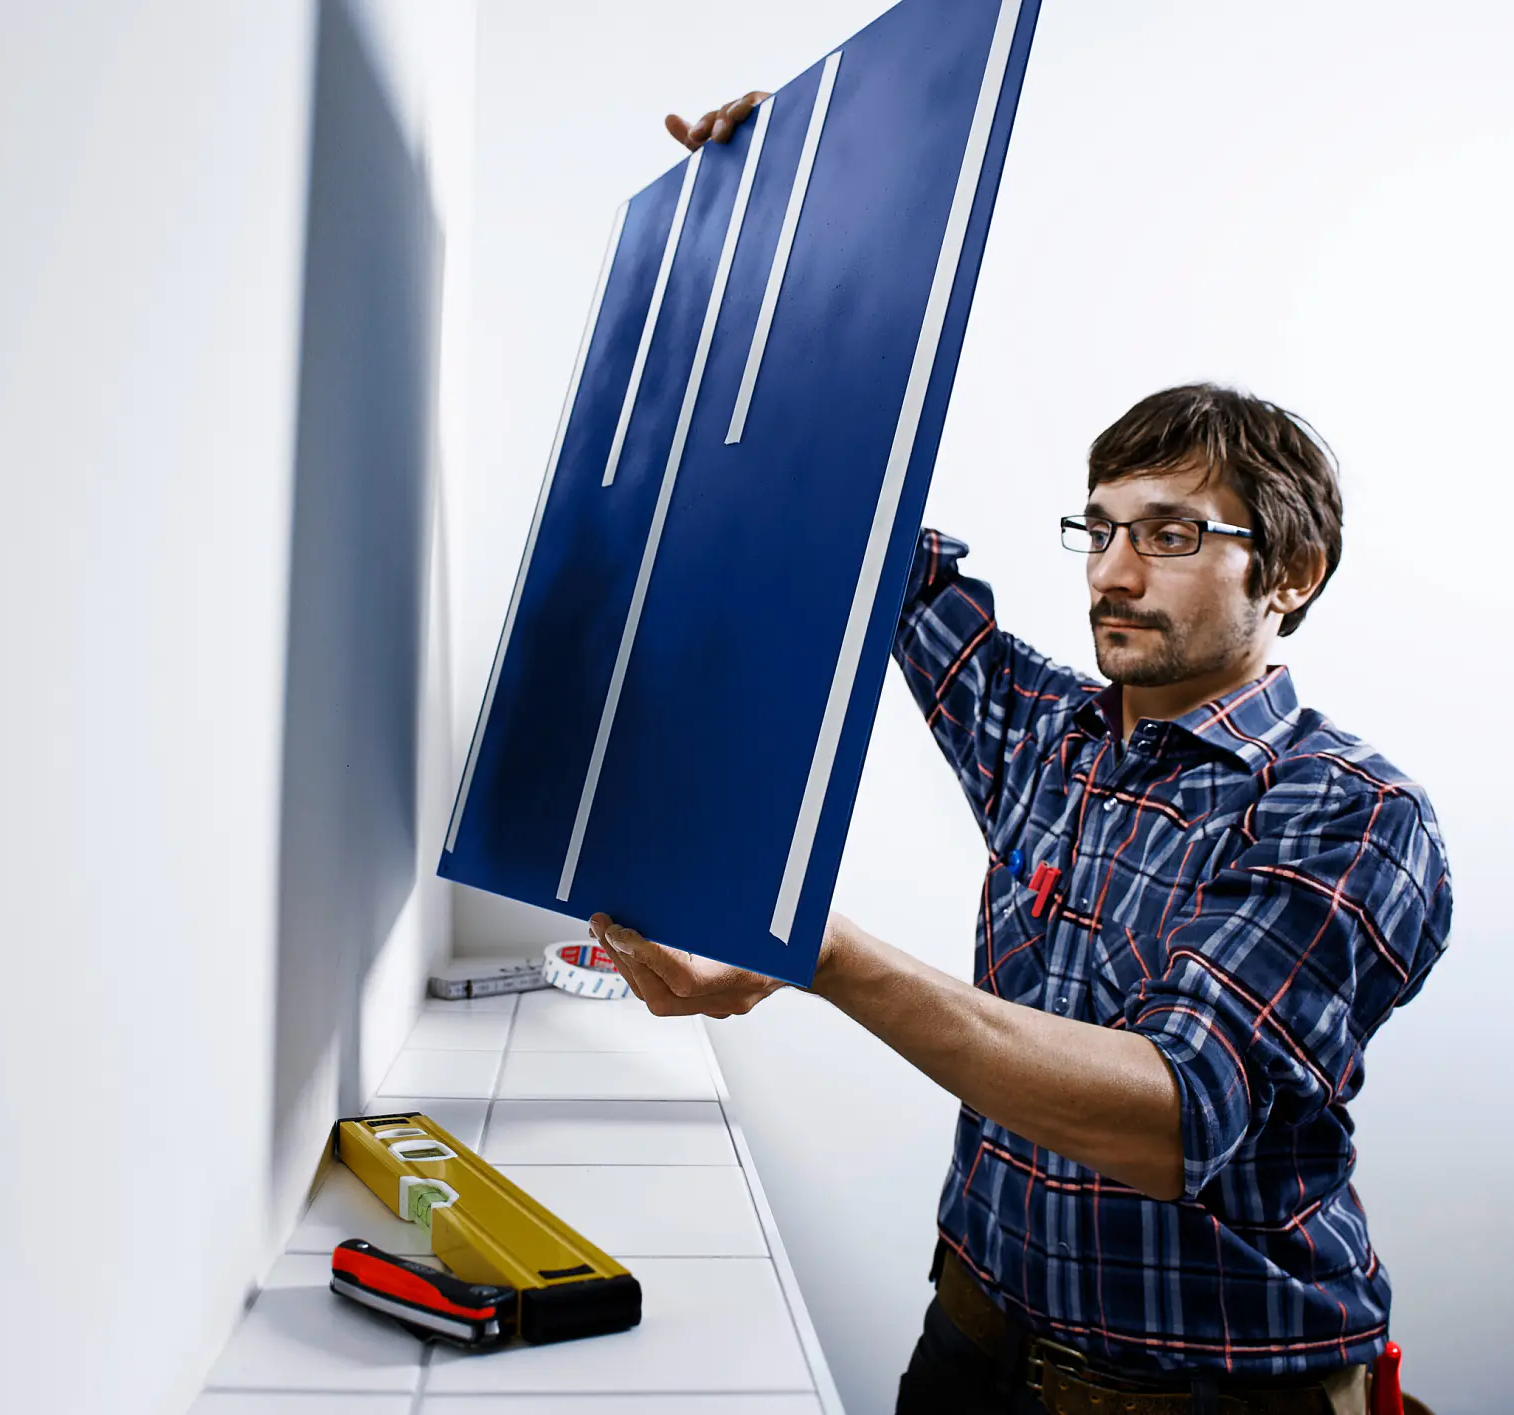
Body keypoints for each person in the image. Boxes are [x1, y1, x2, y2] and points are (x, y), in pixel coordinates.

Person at [589, 100, 1452, 1415]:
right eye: (1098, 527)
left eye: (1169, 533)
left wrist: (820, 951)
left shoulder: (1354, 815)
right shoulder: (1045, 734)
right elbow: (866, 524)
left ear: (1291, 570)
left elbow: (1174, 1114)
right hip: (971, 1352)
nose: (1110, 570)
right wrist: (794, 223)